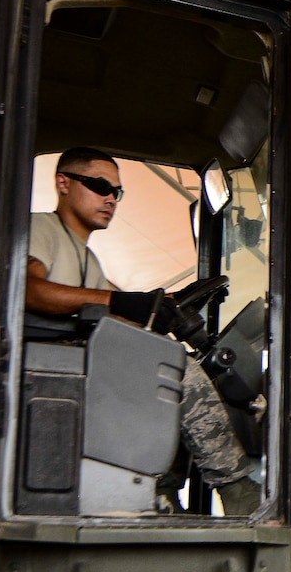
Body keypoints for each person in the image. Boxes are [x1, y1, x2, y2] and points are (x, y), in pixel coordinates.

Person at [27, 147, 261, 516]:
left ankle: (162, 491)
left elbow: (118, 314)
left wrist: (166, 304)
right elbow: (30, 290)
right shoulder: (41, 228)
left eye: (116, 192)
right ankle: (235, 487)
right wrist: (118, 302)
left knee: (162, 359)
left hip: (83, 367)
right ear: (63, 183)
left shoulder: (87, 259)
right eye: (100, 185)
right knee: (173, 367)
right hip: (55, 368)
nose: (110, 198)